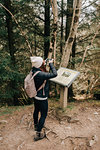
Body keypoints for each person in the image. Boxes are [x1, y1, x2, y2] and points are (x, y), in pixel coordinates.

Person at [30, 56, 57, 141]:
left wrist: (44, 63)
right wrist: (51, 64)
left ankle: (36, 125)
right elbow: (54, 74)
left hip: (35, 96)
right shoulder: (41, 74)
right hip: (42, 98)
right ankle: (38, 134)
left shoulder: (34, 70)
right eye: (42, 62)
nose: (43, 62)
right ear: (40, 64)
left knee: (36, 110)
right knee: (44, 115)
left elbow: (41, 69)